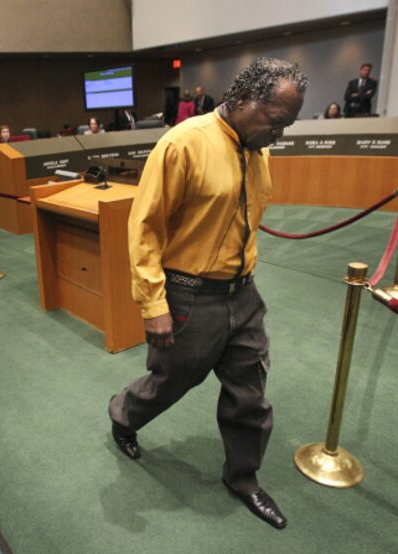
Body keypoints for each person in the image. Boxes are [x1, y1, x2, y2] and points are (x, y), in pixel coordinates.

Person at [108, 57, 307, 530]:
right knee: (171, 381)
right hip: (188, 295)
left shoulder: (258, 148)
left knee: (250, 392)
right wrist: (154, 305)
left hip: (243, 294)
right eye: (276, 123)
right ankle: (123, 415)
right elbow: (145, 229)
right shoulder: (183, 143)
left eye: (287, 126)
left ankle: (243, 478)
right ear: (242, 100)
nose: (279, 135)